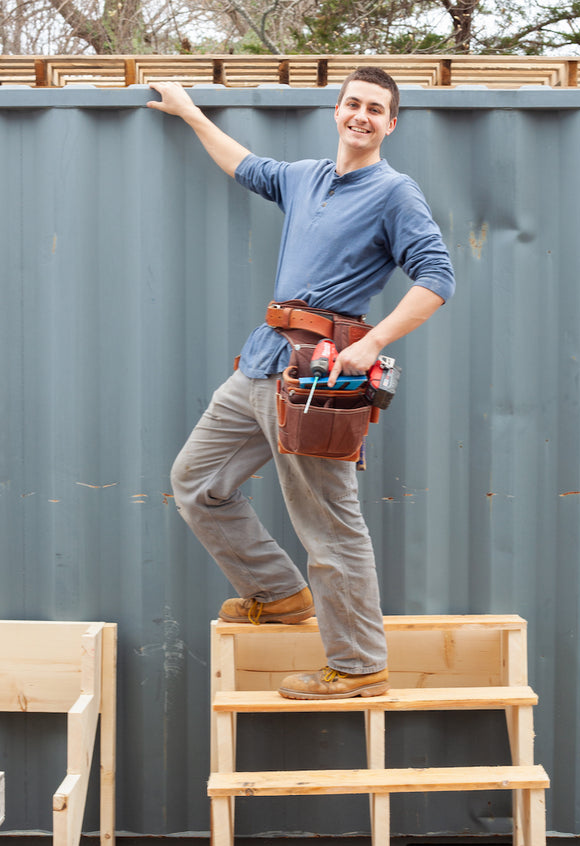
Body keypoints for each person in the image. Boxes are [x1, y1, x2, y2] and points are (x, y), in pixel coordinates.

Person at [147, 67, 455, 700]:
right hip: (263, 362)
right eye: (353, 104)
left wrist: (370, 344)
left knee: (329, 525)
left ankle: (360, 664)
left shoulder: (396, 193)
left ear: (390, 123)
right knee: (197, 482)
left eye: (376, 109)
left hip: (321, 378)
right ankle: (280, 595)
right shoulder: (304, 178)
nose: (361, 116)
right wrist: (189, 113)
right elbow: (246, 165)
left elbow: (437, 279)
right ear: (337, 111)